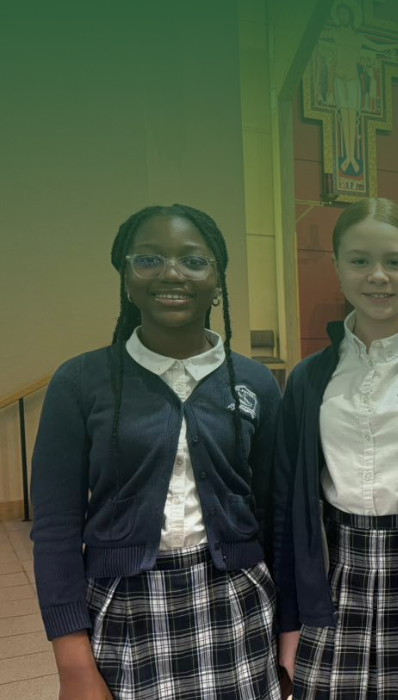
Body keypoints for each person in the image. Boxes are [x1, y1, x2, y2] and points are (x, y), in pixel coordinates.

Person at [31, 204, 282, 700]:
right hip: (125, 607)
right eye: (149, 259)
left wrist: (289, 627)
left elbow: (276, 515)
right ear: (125, 274)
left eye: (193, 261)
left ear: (218, 279)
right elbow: (56, 526)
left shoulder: (255, 383)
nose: (171, 273)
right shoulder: (80, 382)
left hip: (239, 603)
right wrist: (71, 660)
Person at [272, 198, 398, 700]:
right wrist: (290, 616)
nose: (378, 277)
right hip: (334, 578)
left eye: (394, 261)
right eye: (360, 261)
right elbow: (286, 506)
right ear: (337, 266)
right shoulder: (309, 379)